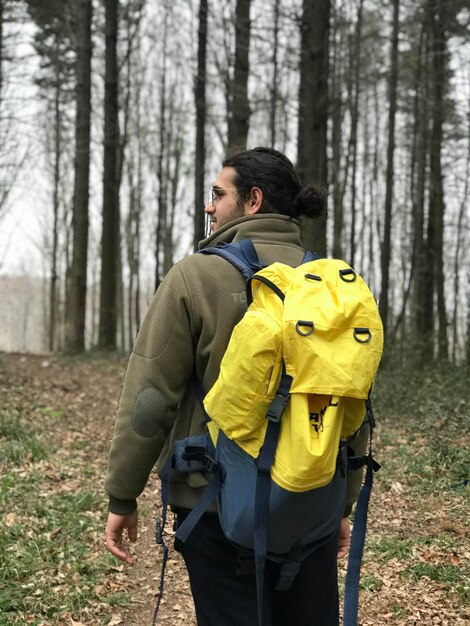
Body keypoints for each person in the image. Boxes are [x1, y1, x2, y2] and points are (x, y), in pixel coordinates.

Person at [104, 147, 369, 626]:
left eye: (217, 194)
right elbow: (351, 403)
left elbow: (149, 402)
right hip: (311, 501)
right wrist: (342, 502)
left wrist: (123, 496)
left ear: (252, 200)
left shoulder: (195, 276)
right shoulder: (333, 287)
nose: (209, 206)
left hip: (214, 504)